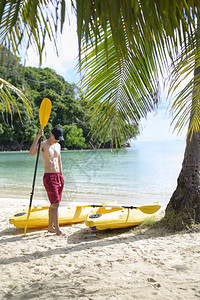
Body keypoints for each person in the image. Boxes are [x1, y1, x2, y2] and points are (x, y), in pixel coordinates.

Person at [30, 127, 65, 236]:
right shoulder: (43, 145)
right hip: (49, 177)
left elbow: (59, 161)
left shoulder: (58, 145)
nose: (57, 140)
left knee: (54, 204)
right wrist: (38, 137)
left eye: (59, 139)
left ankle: (50, 227)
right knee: (56, 203)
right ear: (51, 134)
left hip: (58, 176)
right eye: (56, 138)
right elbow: (32, 153)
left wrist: (61, 176)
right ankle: (57, 228)